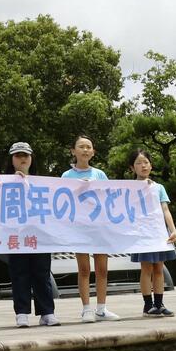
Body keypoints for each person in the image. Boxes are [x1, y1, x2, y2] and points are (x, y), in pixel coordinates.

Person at [0, 142, 60, 328]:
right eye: (18, 155)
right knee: (19, 274)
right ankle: (22, 312)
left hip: (39, 235)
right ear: (11, 159)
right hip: (16, 237)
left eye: (25, 155)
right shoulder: (3, 181)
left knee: (42, 273)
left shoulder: (43, 182)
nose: (22, 158)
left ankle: (47, 312)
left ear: (32, 158)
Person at [61, 134, 119, 322]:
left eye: (89, 147)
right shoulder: (66, 175)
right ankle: (86, 308)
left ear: (93, 152)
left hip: (99, 227)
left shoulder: (100, 174)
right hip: (80, 227)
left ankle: (101, 308)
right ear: (73, 151)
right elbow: (62, 200)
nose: (85, 150)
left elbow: (109, 197)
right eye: (81, 146)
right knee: (84, 269)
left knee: (102, 269)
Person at [128, 149, 176, 317]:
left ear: (151, 165)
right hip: (142, 234)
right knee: (146, 268)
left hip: (158, 233)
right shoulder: (129, 188)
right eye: (139, 163)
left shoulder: (159, 187)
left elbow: (165, 210)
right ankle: (147, 305)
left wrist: (172, 229)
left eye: (146, 162)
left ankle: (159, 303)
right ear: (132, 168)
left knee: (159, 268)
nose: (143, 166)